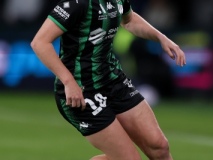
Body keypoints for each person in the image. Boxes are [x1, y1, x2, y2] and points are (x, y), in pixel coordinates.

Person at [31, 0, 186, 159]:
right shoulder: (78, 3)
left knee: (159, 147)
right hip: (82, 91)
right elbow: (40, 42)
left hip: (113, 81)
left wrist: (161, 37)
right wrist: (68, 82)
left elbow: (130, 20)